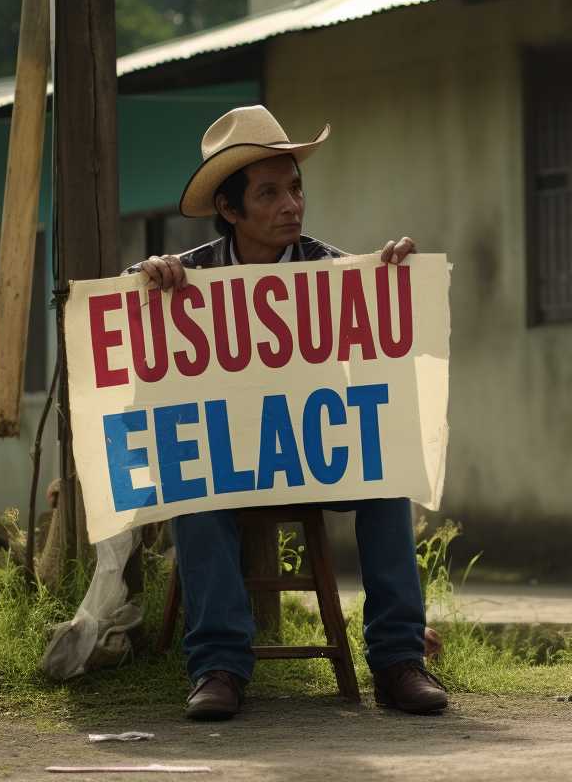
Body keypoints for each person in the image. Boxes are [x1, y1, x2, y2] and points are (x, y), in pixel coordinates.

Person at [130, 105, 446, 721]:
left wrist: (393, 277)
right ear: (229, 210)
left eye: (295, 187)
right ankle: (219, 666)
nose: (291, 205)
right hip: (228, 460)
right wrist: (144, 275)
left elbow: (379, 341)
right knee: (192, 490)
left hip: (314, 451)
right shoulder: (187, 277)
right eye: (269, 192)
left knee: (388, 481)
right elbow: (114, 310)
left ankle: (397, 662)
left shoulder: (329, 269)